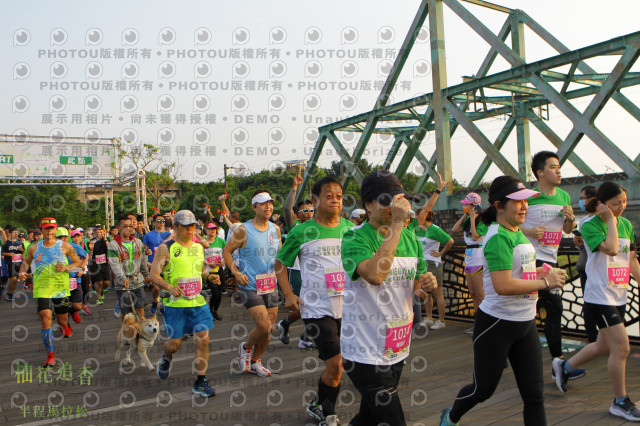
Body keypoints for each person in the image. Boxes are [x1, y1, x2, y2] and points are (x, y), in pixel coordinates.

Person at [440, 176, 566, 426]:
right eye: (517, 202)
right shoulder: (498, 237)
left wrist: (538, 273)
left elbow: (517, 273)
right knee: (482, 390)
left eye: (526, 202)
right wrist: (545, 283)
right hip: (497, 324)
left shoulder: (517, 233)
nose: (524, 207)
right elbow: (503, 285)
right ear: (499, 206)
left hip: (525, 323)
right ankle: (451, 417)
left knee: (534, 397)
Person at [341, 170, 438, 426]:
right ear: (368, 206)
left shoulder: (410, 239)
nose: (396, 207)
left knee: (370, 416)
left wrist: (425, 286)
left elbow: (415, 287)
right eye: (387, 201)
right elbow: (375, 275)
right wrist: (396, 224)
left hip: (396, 346)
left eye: (399, 200)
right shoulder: (354, 237)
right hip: (364, 350)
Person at [552, 181, 640, 421]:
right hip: (599, 295)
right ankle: (620, 401)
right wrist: (610, 220)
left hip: (618, 293)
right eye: (615, 204)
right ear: (601, 204)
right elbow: (611, 249)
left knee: (603, 345)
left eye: (623, 202)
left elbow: (631, 259)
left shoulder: (626, 225)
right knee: (622, 347)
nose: (621, 207)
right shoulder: (590, 225)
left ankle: (564, 368)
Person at [275, 176, 353, 425]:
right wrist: (288, 294)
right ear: (316, 200)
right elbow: (279, 265)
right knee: (336, 364)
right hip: (317, 309)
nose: (335, 200)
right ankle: (328, 413)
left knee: (344, 364)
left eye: (339, 196)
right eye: (328, 195)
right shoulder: (302, 231)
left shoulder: (351, 229)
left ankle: (317, 403)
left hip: (349, 308)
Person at [520, 151, 583, 378]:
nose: (558, 171)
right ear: (540, 173)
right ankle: (558, 363)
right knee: (553, 305)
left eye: (559, 167)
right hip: (530, 260)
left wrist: (571, 220)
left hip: (552, 259)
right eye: (553, 167)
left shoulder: (564, 196)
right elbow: (509, 222)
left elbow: (567, 230)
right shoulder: (529, 197)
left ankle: (555, 362)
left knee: (543, 308)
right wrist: (528, 230)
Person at [152, 210, 216, 397]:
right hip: (176, 304)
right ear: (176, 227)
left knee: (203, 339)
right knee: (174, 344)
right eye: (186, 225)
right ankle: (166, 357)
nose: (190, 229)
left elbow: (200, 271)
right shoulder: (166, 248)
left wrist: (210, 275)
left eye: (193, 225)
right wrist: (169, 287)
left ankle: (200, 381)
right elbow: (154, 274)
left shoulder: (198, 247)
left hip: (198, 301)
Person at [223, 190, 281, 377]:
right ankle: (246, 347)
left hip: (270, 284)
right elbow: (226, 252)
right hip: (250, 285)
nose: (268, 207)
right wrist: (236, 272)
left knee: (269, 329)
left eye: (270, 203)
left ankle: (256, 361)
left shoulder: (275, 229)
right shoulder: (243, 230)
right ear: (254, 207)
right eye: (263, 203)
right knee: (264, 326)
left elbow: (279, 256)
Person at [18, 217, 83, 367]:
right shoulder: (34, 247)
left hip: (60, 287)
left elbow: (78, 263)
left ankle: (65, 325)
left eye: (52, 228)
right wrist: (22, 271)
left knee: (61, 320)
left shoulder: (65, 246)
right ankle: (50, 354)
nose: (49, 231)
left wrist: (66, 268)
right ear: (41, 230)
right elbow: (26, 262)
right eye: (46, 228)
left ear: (56, 229)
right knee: (45, 316)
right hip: (41, 286)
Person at [279, 170, 317, 350]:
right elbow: (287, 209)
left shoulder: (319, 227)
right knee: (308, 307)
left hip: (316, 273)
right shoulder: (296, 227)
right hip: (298, 272)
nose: (309, 213)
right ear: (298, 213)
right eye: (305, 210)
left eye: (311, 210)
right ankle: (297, 332)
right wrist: (294, 188)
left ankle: (293, 329)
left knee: (312, 307)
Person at [452, 192, 488, 334]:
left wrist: (473, 219)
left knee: (480, 293)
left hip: (478, 256)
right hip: (469, 258)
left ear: (473, 205)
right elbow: (455, 229)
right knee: (473, 293)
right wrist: (466, 216)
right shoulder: (467, 218)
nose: (463, 206)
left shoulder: (483, 220)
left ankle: (484, 323)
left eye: (466, 205)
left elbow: (475, 236)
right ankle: (477, 322)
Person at [412, 209, 454, 329]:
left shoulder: (435, 229)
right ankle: (429, 318)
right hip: (421, 263)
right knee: (425, 292)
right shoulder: (418, 229)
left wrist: (440, 253)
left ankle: (441, 320)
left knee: (437, 293)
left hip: (432, 263)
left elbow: (450, 241)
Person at [107, 215, 150, 322]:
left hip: (137, 280)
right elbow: (114, 264)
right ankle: (128, 333)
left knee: (140, 307)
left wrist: (146, 275)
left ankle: (140, 332)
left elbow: (143, 261)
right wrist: (122, 278)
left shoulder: (138, 242)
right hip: (122, 284)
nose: (128, 228)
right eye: (125, 226)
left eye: (130, 226)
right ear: (119, 228)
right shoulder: (113, 245)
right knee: (126, 313)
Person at [573, 185, 599, 343]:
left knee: (592, 303)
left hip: (596, 268)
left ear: (592, 199)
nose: (581, 201)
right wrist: (579, 243)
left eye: (583, 198)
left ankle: (597, 337)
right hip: (587, 268)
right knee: (589, 303)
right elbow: (583, 248)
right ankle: (593, 337)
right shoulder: (584, 221)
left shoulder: (597, 220)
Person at [143, 214, 172, 314]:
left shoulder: (168, 235)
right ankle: (155, 300)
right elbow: (144, 248)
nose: (162, 223)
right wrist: (146, 251)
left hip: (166, 264)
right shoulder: (148, 235)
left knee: (164, 287)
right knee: (156, 287)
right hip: (153, 264)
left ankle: (163, 305)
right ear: (154, 223)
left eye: (163, 221)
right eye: (159, 221)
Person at [62, 229, 89, 325]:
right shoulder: (53, 249)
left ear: (67, 237)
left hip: (74, 279)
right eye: (59, 237)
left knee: (77, 306)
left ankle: (72, 311)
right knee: (63, 305)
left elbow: (86, 255)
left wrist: (82, 267)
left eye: (64, 237)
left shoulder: (74, 247)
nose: (62, 239)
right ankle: (66, 325)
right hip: (60, 280)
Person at [203, 221, 226, 321]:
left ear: (216, 230)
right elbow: (198, 257)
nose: (212, 231)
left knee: (220, 291)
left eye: (214, 229)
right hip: (208, 271)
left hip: (219, 269)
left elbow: (227, 253)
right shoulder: (202, 242)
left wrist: (224, 261)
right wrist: (208, 263)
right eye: (210, 229)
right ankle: (210, 311)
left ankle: (214, 311)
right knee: (215, 292)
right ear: (206, 230)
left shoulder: (221, 241)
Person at [89, 225, 110, 307]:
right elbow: (90, 253)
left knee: (107, 283)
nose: (99, 233)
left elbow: (109, 248)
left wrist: (105, 239)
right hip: (95, 264)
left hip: (104, 264)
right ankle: (99, 298)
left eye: (101, 231)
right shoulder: (92, 241)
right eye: (97, 232)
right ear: (94, 233)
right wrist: (91, 248)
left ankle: (101, 291)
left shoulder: (106, 240)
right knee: (99, 282)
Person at [2, 227, 25, 301]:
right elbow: (2, 253)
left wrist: (22, 250)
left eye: (17, 233)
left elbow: (23, 253)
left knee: (16, 279)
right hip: (10, 263)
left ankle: (10, 293)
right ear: (10, 233)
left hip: (18, 262)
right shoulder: (7, 243)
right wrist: (9, 254)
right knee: (13, 278)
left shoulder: (19, 242)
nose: (16, 234)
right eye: (14, 232)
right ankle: (9, 293)